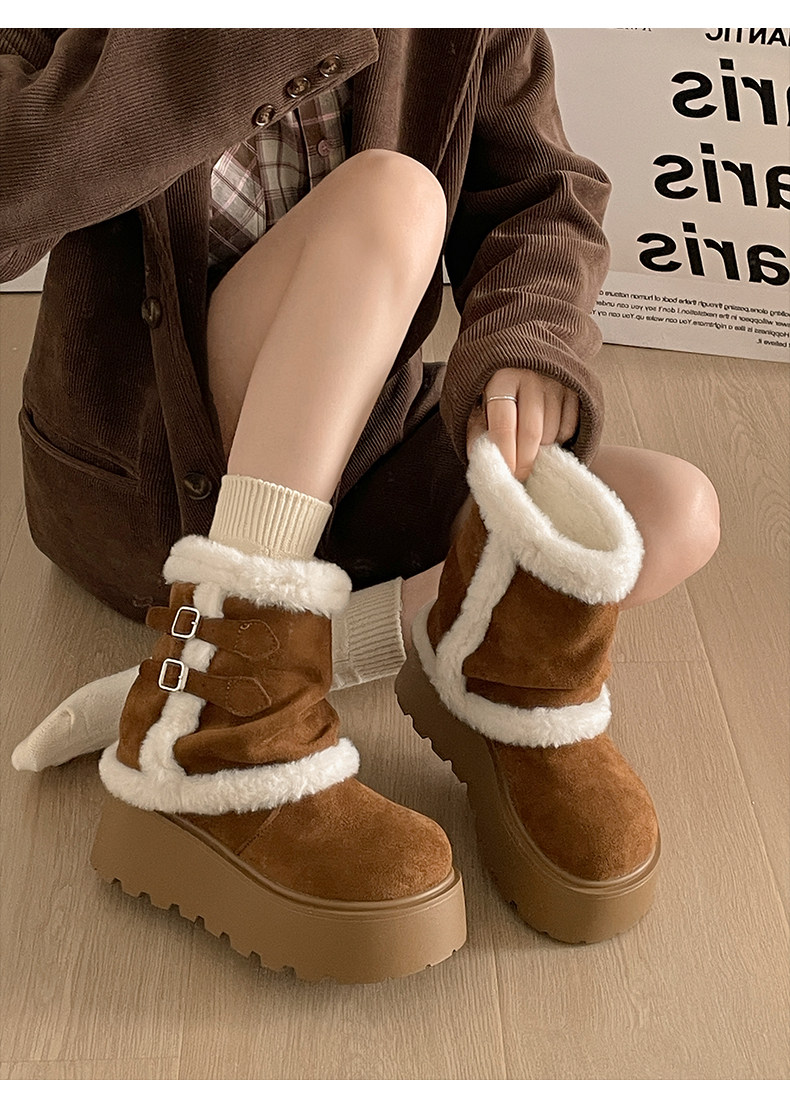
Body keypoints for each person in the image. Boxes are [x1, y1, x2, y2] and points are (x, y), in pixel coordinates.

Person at [3, 28, 720, 980]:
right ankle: (220, 728)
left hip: (361, 454)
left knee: (669, 510)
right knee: (395, 196)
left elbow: (543, 193)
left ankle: (428, 663)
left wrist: (530, 339)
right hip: (165, 476)